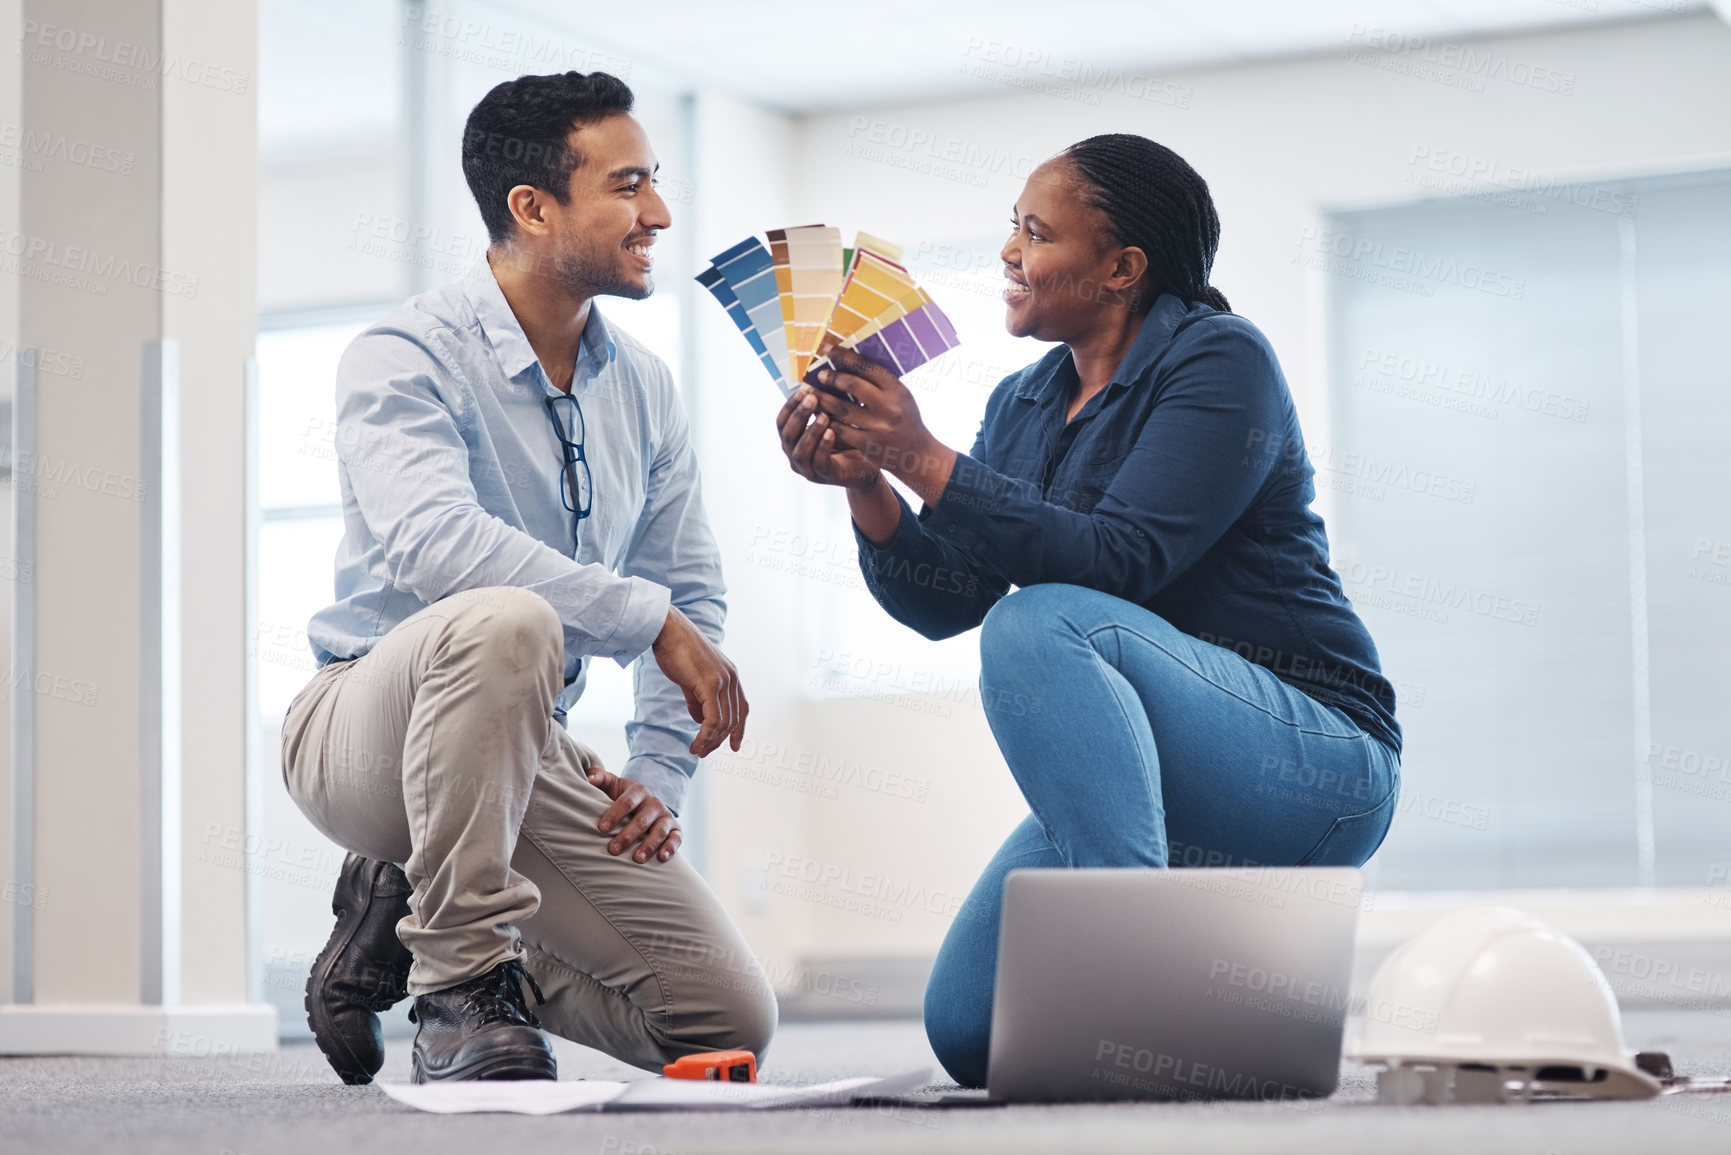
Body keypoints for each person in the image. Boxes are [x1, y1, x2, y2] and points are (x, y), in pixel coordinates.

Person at [775, 134, 1402, 1087]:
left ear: (1122, 269)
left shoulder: (1220, 361)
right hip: (1167, 780)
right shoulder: (1023, 401)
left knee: (1042, 620)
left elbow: (1122, 560)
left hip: (1314, 758)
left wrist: (923, 457)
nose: (1008, 254)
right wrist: (869, 484)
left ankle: (1134, 989)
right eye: (1010, 230)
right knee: (971, 1028)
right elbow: (950, 603)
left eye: (1035, 232)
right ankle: (1229, 1029)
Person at [283, 71, 775, 1085]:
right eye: (629, 186)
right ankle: (458, 988)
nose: (660, 215)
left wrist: (655, 771)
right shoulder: (402, 356)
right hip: (356, 729)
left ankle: (406, 921)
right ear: (532, 207)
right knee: (506, 619)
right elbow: (435, 546)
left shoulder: (644, 386)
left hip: (518, 747)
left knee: (724, 1019)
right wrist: (648, 624)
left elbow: (687, 583)